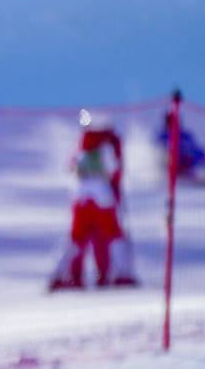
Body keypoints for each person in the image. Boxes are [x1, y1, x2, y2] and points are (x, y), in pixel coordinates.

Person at [49, 111, 139, 291]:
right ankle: (123, 275)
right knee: (114, 236)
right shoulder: (106, 146)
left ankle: (61, 275)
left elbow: (72, 168)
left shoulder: (80, 146)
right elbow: (114, 170)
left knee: (75, 239)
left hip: (80, 198)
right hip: (102, 197)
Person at [158, 111, 205, 186]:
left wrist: (199, 160)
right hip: (169, 164)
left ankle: (203, 179)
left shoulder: (185, 135)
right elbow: (158, 149)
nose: (173, 124)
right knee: (164, 154)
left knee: (201, 169)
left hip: (186, 165)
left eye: (176, 121)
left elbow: (197, 150)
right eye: (170, 122)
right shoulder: (162, 135)